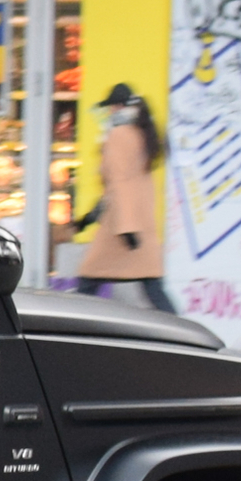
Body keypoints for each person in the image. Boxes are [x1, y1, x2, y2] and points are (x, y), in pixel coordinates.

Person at [74, 83, 176, 312]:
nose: (108, 112)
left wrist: (126, 228)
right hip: (136, 223)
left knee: (88, 279)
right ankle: (184, 330)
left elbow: (118, 184)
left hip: (121, 228)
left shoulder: (118, 135)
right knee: (152, 286)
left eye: (110, 107)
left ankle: (65, 330)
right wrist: (92, 216)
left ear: (117, 107)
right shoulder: (142, 133)